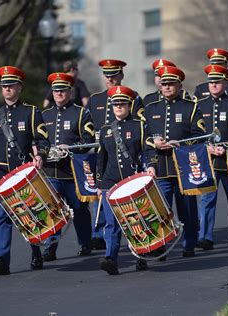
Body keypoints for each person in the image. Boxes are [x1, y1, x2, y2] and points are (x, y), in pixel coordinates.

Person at [0, 66, 50, 275]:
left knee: (29, 213)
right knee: (4, 216)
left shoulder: (31, 112)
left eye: (11, 85)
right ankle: (2, 259)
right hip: (1, 175)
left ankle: (36, 250)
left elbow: (43, 139)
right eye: (4, 86)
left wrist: (40, 155)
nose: (7, 89)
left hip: (24, 172)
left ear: (19, 87)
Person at [144, 65, 206, 257]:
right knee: (160, 210)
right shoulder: (151, 108)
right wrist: (153, 150)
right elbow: (144, 138)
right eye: (164, 84)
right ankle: (160, 245)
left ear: (180, 86)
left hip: (184, 168)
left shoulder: (190, 107)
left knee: (187, 208)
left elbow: (201, 135)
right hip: (161, 167)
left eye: (172, 84)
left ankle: (189, 244)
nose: (168, 87)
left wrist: (181, 143)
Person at [96, 86, 156, 275]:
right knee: (112, 223)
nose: (119, 107)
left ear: (130, 105)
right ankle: (111, 258)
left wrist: (152, 165)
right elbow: (101, 159)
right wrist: (99, 185)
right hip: (110, 182)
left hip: (132, 181)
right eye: (115, 104)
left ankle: (141, 255)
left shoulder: (139, 125)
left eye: (122, 104)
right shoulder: (105, 129)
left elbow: (148, 149)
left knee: (135, 221)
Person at [85, 59, 144, 250]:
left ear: (121, 75)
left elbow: (141, 123)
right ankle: (98, 235)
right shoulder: (95, 99)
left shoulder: (133, 97)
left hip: (128, 154)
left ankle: (139, 242)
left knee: (131, 207)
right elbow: (87, 125)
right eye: (107, 75)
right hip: (105, 151)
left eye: (114, 75)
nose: (110, 78)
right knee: (102, 195)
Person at [40, 72, 96, 261]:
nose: (58, 93)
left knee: (79, 209)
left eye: (62, 90)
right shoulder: (45, 114)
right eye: (55, 90)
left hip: (73, 172)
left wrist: (71, 147)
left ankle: (85, 242)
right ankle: (50, 246)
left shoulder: (81, 113)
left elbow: (88, 140)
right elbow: (38, 140)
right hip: (50, 172)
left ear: (70, 91)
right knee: (52, 210)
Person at [196, 64, 228, 250]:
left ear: (225, 83)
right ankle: (205, 237)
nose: (213, 85)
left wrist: (226, 147)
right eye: (211, 82)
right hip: (208, 159)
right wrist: (207, 148)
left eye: (217, 82)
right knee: (207, 199)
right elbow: (196, 133)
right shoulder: (200, 105)